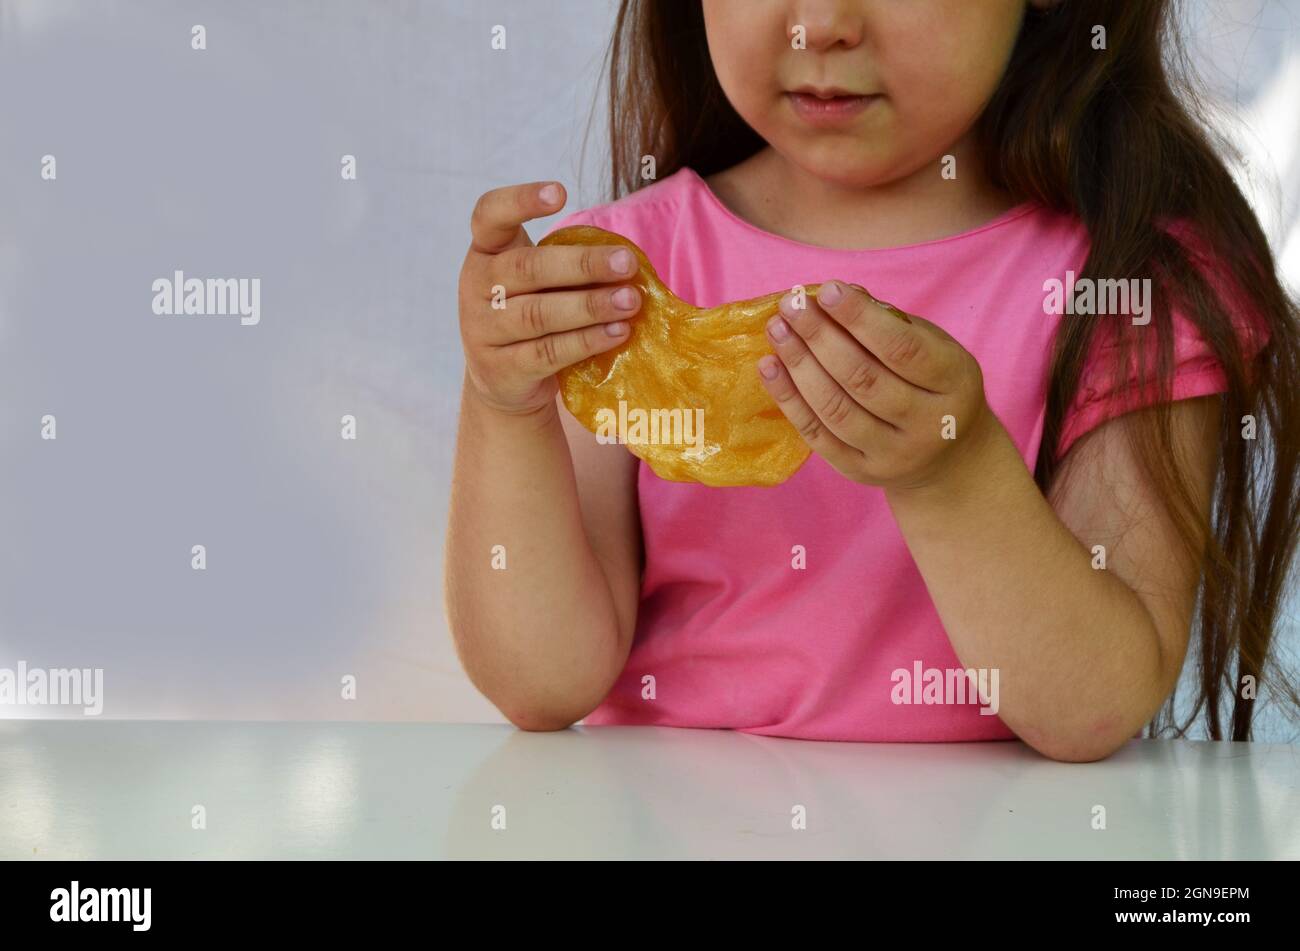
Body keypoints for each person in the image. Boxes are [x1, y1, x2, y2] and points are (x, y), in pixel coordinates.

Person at [446, 0, 1299, 761]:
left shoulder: (1130, 287)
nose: (819, 25)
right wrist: (504, 406)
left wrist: (952, 475)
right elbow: (541, 680)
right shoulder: (623, 282)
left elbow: (1094, 706)